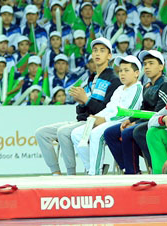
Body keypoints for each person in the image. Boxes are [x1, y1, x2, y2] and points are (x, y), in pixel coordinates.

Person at [35, 37, 120, 176]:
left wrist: (86, 101)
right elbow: (81, 112)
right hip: (83, 121)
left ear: (109, 55)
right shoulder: (91, 79)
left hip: (97, 123)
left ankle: (71, 175)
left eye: (102, 51)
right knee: (41, 133)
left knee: (63, 132)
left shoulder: (114, 80)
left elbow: (106, 112)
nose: (97, 53)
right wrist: (81, 103)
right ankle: (56, 173)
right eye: (95, 50)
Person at [103, 50, 167, 174]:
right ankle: (126, 167)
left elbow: (158, 113)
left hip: (160, 123)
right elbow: (142, 109)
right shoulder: (147, 86)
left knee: (129, 132)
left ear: (161, 67)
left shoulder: (166, 85)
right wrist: (130, 120)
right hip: (146, 121)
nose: (147, 67)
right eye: (145, 64)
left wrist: (135, 123)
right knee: (110, 133)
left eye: (151, 63)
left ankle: (134, 171)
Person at [73, 55, 145, 176]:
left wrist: (104, 120)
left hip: (122, 122)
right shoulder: (120, 89)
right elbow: (109, 108)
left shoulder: (138, 88)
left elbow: (129, 112)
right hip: (109, 121)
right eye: (120, 70)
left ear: (136, 73)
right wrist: (95, 117)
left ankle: (95, 174)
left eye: (126, 70)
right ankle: (90, 167)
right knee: (76, 134)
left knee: (96, 134)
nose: (122, 73)